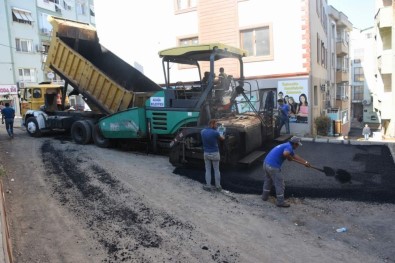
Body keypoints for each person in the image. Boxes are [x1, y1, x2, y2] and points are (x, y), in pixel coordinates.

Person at [262, 136, 311, 207]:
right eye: (297, 145)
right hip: (273, 166)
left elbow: (294, 156)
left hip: (266, 164)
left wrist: (305, 162)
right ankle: (280, 202)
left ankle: (264, 197)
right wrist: (289, 158)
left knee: (268, 180)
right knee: (280, 184)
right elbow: (285, 154)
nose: (297, 146)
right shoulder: (289, 147)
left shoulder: (286, 145)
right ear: (295, 144)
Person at [201, 119, 225, 191]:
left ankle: (208, 186)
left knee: (208, 170)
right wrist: (223, 133)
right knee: (216, 170)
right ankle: (218, 187)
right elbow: (222, 139)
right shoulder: (216, 133)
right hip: (215, 153)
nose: (216, 126)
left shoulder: (202, 132)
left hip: (206, 153)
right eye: (215, 124)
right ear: (211, 124)